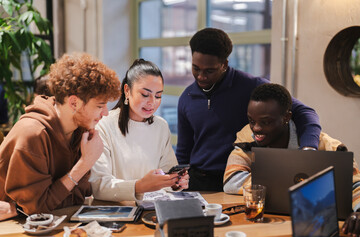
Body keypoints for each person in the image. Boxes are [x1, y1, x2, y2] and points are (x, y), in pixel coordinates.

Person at [176, 27, 322, 191]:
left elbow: (306, 113)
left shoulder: (252, 86)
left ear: (224, 64)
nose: (201, 76)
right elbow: (183, 150)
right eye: (196, 68)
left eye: (210, 71)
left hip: (240, 178)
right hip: (198, 181)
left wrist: (309, 148)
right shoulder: (186, 98)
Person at [222, 83, 360, 237]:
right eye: (251, 120)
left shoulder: (322, 144)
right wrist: (290, 184)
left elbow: (354, 181)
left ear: (286, 117)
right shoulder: (247, 138)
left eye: (266, 122)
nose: (256, 129)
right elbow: (231, 179)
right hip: (268, 225)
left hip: (317, 227)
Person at [0, 52, 120, 220]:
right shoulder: (31, 134)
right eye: (100, 106)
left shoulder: (81, 131)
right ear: (74, 103)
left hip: (55, 223)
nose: (106, 113)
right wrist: (84, 164)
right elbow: (37, 209)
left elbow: (77, 197)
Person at [89, 59, 189, 202]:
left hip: (152, 211)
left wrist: (176, 182)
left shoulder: (160, 126)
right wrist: (139, 186)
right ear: (127, 91)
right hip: (117, 213)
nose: (152, 102)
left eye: (158, 95)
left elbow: (167, 175)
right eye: (145, 94)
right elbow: (99, 186)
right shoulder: (104, 125)